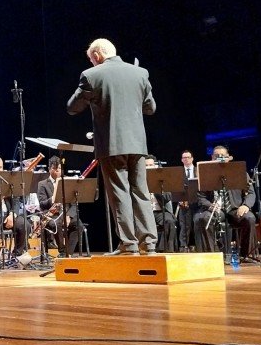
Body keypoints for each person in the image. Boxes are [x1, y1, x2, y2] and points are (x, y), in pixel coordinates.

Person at [67, 38, 157, 255]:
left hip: (112, 144)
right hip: (137, 144)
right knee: (141, 192)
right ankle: (149, 243)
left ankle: (129, 244)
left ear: (97, 55)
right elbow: (150, 108)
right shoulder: (140, 73)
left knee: (120, 193)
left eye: (91, 59)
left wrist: (93, 96)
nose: (92, 63)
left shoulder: (92, 75)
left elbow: (72, 107)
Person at [193, 145, 256, 258]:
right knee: (205, 218)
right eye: (216, 156)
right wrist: (209, 205)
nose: (219, 158)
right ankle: (211, 256)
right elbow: (200, 197)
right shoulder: (205, 174)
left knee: (250, 218)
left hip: (235, 208)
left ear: (228, 158)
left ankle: (246, 255)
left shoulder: (240, 172)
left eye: (222, 156)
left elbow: (251, 193)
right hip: (216, 208)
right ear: (212, 157)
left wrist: (246, 205)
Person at [37, 156, 82, 256]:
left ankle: (67, 253)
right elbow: (42, 204)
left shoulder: (67, 182)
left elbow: (74, 203)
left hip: (66, 214)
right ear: (49, 169)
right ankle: (62, 251)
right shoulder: (42, 184)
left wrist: (69, 216)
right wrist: (53, 198)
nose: (57, 171)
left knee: (79, 225)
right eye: (55, 169)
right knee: (56, 224)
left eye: (59, 169)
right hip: (51, 215)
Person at [144, 155, 178, 252]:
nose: (149, 167)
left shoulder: (162, 179)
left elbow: (167, 198)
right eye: (146, 165)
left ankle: (167, 251)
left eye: (151, 165)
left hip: (159, 211)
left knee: (169, 221)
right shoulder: (139, 180)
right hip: (145, 212)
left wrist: (157, 185)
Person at [177, 150, 196, 252]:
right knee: (184, 225)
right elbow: (176, 187)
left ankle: (196, 244)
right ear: (181, 160)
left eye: (188, 157)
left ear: (192, 158)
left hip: (197, 201)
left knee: (196, 223)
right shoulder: (179, 173)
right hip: (183, 201)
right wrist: (180, 199)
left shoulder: (198, 170)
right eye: (184, 158)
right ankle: (183, 246)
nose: (186, 159)